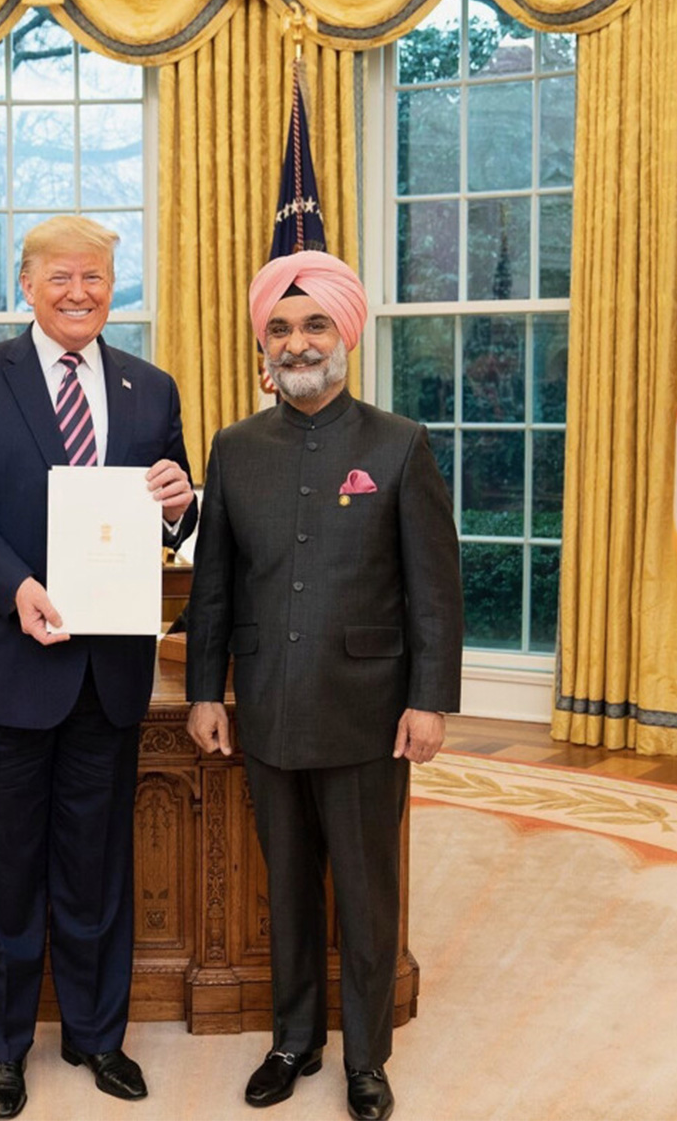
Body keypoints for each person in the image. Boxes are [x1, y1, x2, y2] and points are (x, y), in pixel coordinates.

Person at [0, 216, 197, 1120]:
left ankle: (97, 1036)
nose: (80, 293)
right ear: (26, 285)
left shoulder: (150, 388)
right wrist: (14, 584)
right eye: (62, 277)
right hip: (3, 665)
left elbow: (170, 510)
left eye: (98, 278)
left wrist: (182, 503)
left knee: (96, 863)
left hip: (107, 673)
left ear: (116, 287)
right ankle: (4, 1050)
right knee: (1, 869)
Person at [184, 250, 463, 1121]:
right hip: (266, 708)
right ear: (262, 345)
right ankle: (293, 1039)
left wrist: (429, 700)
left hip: (369, 712)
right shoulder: (234, 448)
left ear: (344, 333)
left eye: (313, 325)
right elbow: (215, 587)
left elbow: (433, 587)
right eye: (280, 327)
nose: (297, 342)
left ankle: (367, 1058)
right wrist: (204, 692)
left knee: (368, 891)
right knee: (291, 886)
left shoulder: (399, 443)